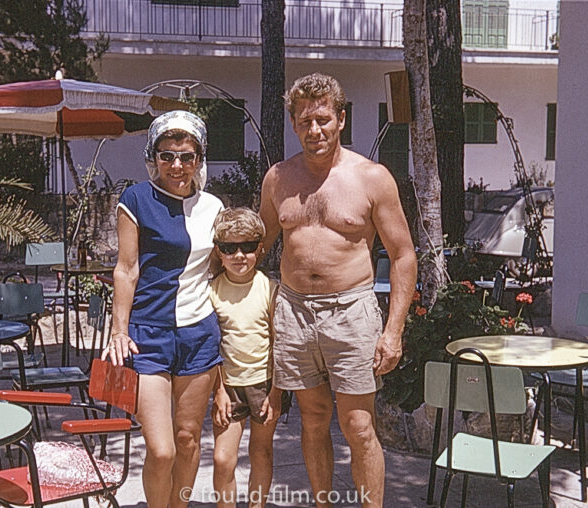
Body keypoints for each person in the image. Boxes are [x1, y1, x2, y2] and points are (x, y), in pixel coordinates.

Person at [259, 73, 417, 507]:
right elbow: (257, 248)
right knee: (312, 421)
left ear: (341, 119)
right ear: (294, 123)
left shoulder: (373, 178)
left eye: (324, 119)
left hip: (351, 311)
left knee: (359, 425)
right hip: (293, 311)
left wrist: (394, 330)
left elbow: (403, 256)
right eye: (305, 121)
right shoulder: (277, 179)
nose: (315, 131)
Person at [103, 110, 224, 507]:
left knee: (188, 441)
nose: (176, 165)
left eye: (186, 156)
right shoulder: (136, 199)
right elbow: (126, 268)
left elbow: (223, 267)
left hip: (198, 335)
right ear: (153, 156)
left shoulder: (213, 207)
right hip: (148, 336)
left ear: (199, 159)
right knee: (162, 450)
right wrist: (119, 330)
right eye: (167, 155)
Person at [208, 207, 289, 508]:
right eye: (230, 248)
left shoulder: (270, 289)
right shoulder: (211, 291)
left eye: (248, 247)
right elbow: (211, 345)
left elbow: (281, 343)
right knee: (222, 458)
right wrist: (218, 391)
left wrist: (277, 392)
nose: (239, 255)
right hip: (227, 387)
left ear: (260, 248)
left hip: (264, 384)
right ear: (219, 250)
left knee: (261, 451)